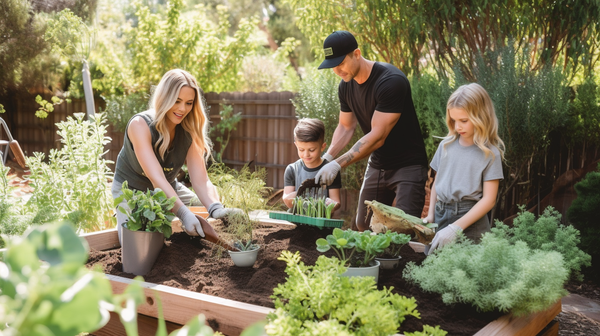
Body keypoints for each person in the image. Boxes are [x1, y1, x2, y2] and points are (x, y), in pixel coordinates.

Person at [314, 30, 429, 231]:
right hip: (378, 163)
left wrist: (338, 165)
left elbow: (378, 136)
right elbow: (345, 126)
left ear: (357, 54)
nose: (338, 71)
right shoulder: (346, 87)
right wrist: (329, 158)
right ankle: (373, 263)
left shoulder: (391, 81)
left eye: (341, 63)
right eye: (333, 66)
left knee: (405, 228)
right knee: (364, 224)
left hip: (408, 165)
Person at [111, 69, 241, 244]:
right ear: (164, 98)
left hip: (169, 188)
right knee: (137, 247)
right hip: (133, 190)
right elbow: (156, 178)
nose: (182, 108)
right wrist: (183, 214)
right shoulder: (140, 125)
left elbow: (201, 180)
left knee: (204, 207)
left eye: (189, 103)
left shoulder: (188, 130)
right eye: (177, 101)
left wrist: (216, 209)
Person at [423, 83, 505, 254]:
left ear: (481, 116)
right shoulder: (445, 145)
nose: (458, 126)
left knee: (465, 274)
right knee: (433, 269)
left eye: (464, 121)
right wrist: (431, 215)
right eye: (453, 120)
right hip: (440, 215)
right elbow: (437, 182)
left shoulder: (491, 154)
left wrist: (456, 228)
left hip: (470, 220)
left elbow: (489, 200)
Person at [282, 118, 342, 213]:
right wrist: (301, 193)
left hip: (321, 223)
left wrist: (327, 205)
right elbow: (287, 201)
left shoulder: (330, 170)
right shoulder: (292, 169)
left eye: (311, 150)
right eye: (301, 150)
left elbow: (336, 202)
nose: (306, 155)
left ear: (323, 147)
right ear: (296, 145)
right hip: (296, 221)